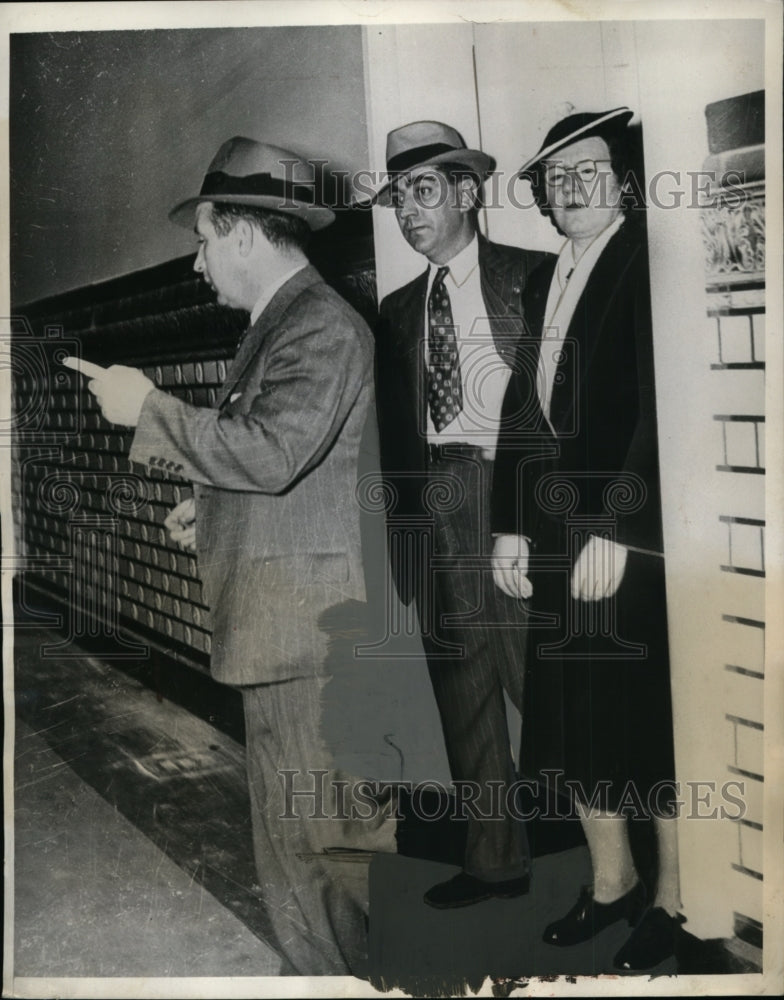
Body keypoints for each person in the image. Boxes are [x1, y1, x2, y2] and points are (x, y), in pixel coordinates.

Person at [83, 136, 388, 976]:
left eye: (204, 240)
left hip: (312, 641)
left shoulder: (320, 324)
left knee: (338, 845)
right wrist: (208, 508)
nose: (197, 265)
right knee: (300, 850)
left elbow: (275, 450)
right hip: (283, 631)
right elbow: (274, 462)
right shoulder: (283, 324)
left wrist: (147, 405)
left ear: (246, 235)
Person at [491, 108, 683, 971]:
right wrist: (508, 526)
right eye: (555, 175)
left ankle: (675, 899)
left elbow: (659, 403)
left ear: (626, 177)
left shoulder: (651, 259)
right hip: (556, 532)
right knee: (575, 718)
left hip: (625, 534)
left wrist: (622, 526)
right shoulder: (544, 280)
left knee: (645, 723)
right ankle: (612, 884)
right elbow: (520, 410)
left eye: (588, 170)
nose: (569, 188)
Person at [369, 120, 550, 908]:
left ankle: (622, 864)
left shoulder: (533, 279)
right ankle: (494, 862)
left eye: (425, 190)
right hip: (435, 500)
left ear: (469, 193)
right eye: (400, 196)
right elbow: (392, 437)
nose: (408, 211)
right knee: (463, 691)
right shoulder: (397, 310)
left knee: (545, 689)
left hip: (509, 496)